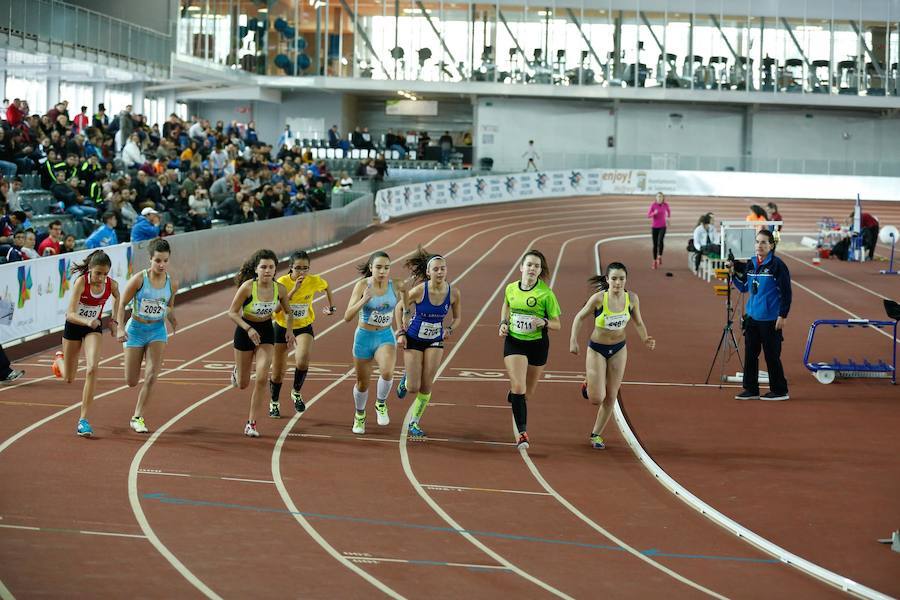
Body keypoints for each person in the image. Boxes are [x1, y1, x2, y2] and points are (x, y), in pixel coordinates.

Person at [569, 263, 655, 449]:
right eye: (614, 278)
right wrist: (573, 340)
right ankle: (588, 384)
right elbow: (579, 317)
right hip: (597, 349)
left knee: (611, 395)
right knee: (596, 398)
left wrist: (645, 338)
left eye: (621, 279)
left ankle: (596, 434)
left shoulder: (632, 299)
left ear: (626, 280)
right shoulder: (599, 299)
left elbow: (638, 322)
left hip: (618, 349)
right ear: (607, 280)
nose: (618, 282)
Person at [51, 250, 121, 437]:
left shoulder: (111, 284)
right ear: (90, 269)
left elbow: (117, 297)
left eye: (105, 273)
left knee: (92, 368)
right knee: (69, 378)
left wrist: (114, 321)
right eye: (98, 273)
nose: (101, 278)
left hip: (93, 329)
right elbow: (70, 314)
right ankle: (59, 361)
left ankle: (83, 420)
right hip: (74, 327)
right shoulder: (81, 282)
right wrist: (87, 321)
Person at [228, 249, 295, 437]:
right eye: (263, 267)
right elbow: (232, 312)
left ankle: (251, 423)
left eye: (271, 267)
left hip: (266, 331)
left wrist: (289, 331)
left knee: (263, 377)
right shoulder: (248, 287)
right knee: (243, 384)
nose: (267, 270)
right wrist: (248, 329)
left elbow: (288, 312)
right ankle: (238, 371)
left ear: (275, 270)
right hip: (245, 331)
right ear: (256, 269)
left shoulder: (280, 289)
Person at [498, 250, 561, 449]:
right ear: (521, 267)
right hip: (514, 342)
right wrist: (503, 323)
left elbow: (557, 324)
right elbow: (506, 305)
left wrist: (543, 321)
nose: (532, 269)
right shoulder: (510, 288)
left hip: (538, 345)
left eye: (536, 266)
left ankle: (516, 396)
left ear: (540, 270)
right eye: (530, 265)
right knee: (519, 387)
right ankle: (522, 433)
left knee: (527, 393)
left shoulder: (546, 294)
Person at [395, 248, 461, 439]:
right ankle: (406, 379)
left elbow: (457, 319)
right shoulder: (419, 291)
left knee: (427, 385)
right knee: (413, 387)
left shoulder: (454, 293)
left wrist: (449, 329)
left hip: (435, 340)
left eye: (443, 269)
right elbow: (400, 308)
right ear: (428, 272)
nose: (440, 272)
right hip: (414, 339)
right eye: (436, 269)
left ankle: (414, 423)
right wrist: (401, 332)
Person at [116, 238, 178, 433]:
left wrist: (171, 317)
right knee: (131, 381)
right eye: (158, 260)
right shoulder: (139, 279)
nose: (162, 265)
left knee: (152, 375)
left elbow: (169, 306)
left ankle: (137, 417)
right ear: (150, 259)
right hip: (135, 329)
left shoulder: (172, 282)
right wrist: (119, 328)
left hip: (157, 330)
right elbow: (121, 304)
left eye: (165, 261)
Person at [343, 251, 407, 435]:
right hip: (364, 337)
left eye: (387, 267)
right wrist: (364, 300)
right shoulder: (362, 285)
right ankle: (360, 415)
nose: (382, 271)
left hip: (385, 336)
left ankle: (380, 403)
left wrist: (405, 320)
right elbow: (347, 317)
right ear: (371, 268)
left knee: (387, 371)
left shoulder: (396, 285)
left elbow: (406, 302)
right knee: (362, 383)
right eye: (378, 267)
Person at [268, 251, 336, 418]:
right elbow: (276, 309)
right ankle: (274, 402)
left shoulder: (313, 281)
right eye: (298, 268)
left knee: (303, 359)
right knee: (278, 372)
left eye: (306, 268)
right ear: (290, 267)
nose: (302, 272)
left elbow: (326, 286)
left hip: (303, 326)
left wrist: (331, 307)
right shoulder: (282, 282)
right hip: (282, 326)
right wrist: (294, 290)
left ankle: (296, 392)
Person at [728, 229, 792, 401]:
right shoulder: (751, 263)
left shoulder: (777, 265)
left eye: (764, 242)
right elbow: (743, 287)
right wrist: (733, 274)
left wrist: (783, 315)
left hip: (771, 319)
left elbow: (786, 293)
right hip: (752, 318)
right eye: (757, 242)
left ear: (771, 245)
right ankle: (751, 389)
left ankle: (780, 391)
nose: (760, 245)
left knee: (771, 356)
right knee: (750, 354)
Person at [647, 192, 670, 269]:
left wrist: (668, 219)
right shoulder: (653, 205)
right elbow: (648, 215)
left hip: (663, 226)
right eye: (658, 196)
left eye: (661, 196)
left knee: (660, 241)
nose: (659, 198)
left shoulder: (665, 205)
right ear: (656, 198)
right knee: (655, 244)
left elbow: (669, 212)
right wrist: (654, 213)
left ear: (663, 198)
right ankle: (654, 261)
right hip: (654, 227)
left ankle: (659, 256)